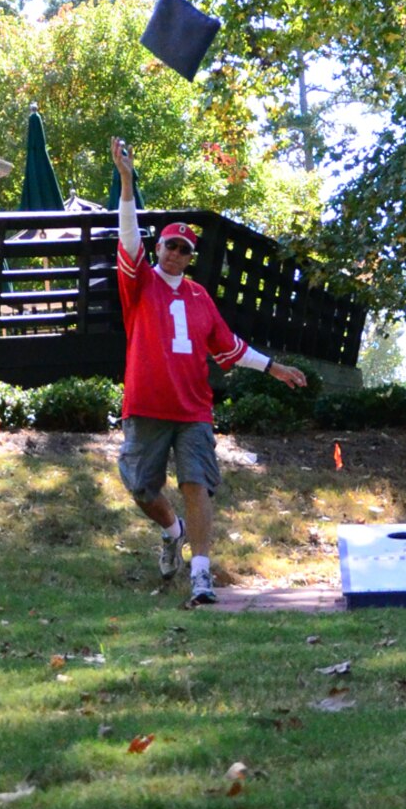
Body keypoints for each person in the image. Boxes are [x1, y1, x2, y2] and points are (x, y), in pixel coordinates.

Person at [110, 136, 307, 605]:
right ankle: (170, 529)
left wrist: (274, 367)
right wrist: (125, 181)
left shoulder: (200, 297)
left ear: (190, 256)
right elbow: (128, 237)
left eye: (183, 248)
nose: (175, 253)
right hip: (147, 407)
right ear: (158, 248)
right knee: (141, 488)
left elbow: (230, 347)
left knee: (196, 483)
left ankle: (201, 574)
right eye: (169, 245)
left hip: (194, 409)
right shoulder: (138, 284)